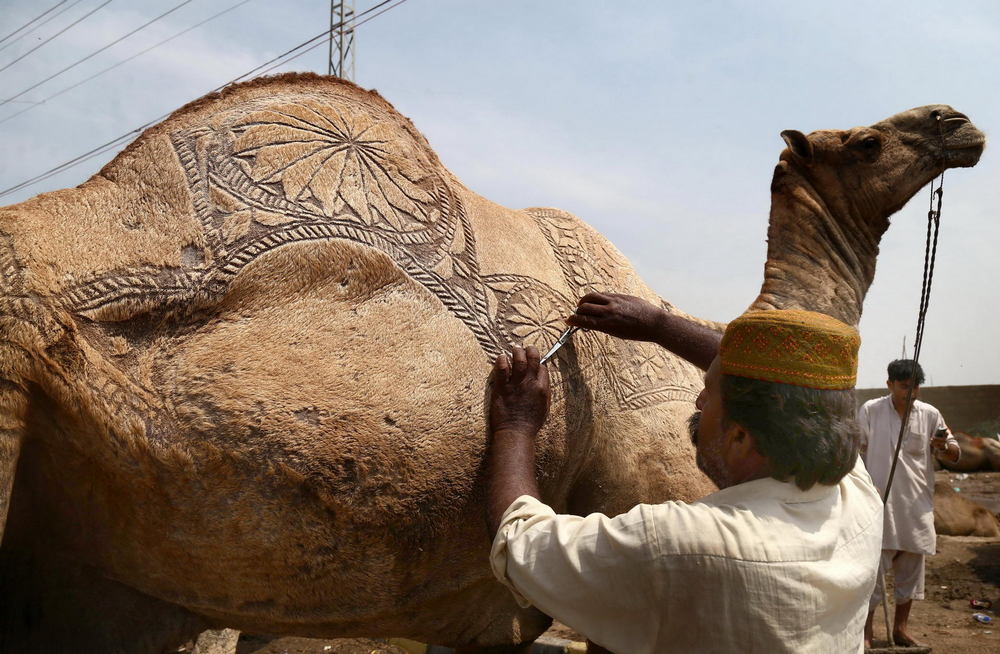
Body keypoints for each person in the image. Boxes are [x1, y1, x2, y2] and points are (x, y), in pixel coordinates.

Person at [485, 293, 883, 653]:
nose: (698, 399)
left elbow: (521, 543)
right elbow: (781, 376)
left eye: (709, 392)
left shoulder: (684, 544)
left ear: (741, 436)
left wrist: (515, 426)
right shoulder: (856, 495)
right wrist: (658, 326)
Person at [859, 359, 960, 648]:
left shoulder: (930, 414)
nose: (910, 392)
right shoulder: (870, 411)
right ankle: (866, 633)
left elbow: (954, 451)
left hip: (917, 505)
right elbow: (856, 450)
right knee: (873, 573)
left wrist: (943, 446)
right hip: (879, 503)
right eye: (904, 386)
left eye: (914, 386)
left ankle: (900, 630)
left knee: (912, 571)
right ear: (889, 384)